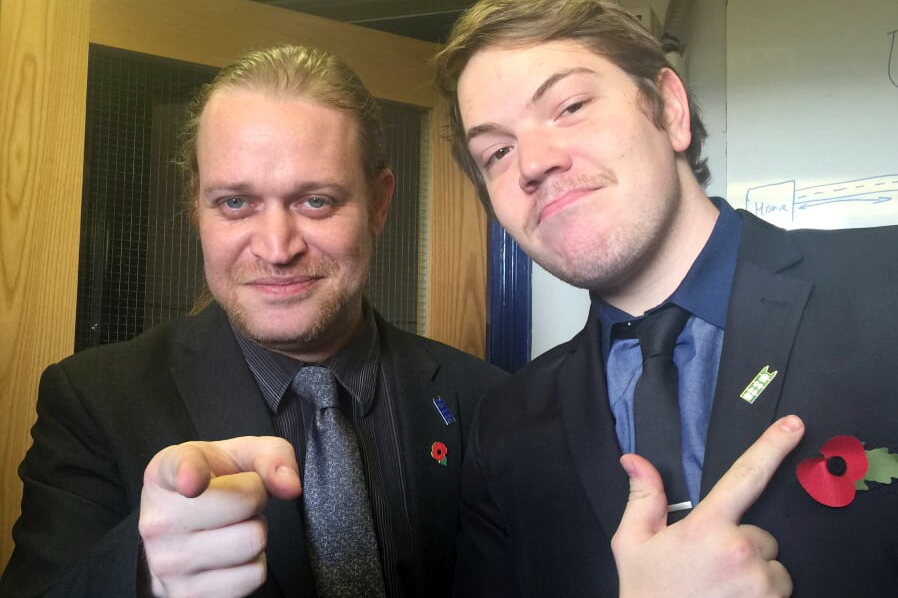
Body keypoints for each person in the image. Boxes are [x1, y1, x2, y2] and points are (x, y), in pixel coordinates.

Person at [0, 45, 507, 598]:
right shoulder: (94, 402)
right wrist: (146, 575)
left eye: (316, 201)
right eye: (236, 203)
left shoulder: (486, 401)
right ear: (197, 205)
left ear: (379, 203)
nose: (276, 247)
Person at [434, 0, 898, 596]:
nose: (532, 162)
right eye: (496, 152)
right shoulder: (505, 428)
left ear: (670, 109)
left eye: (570, 107)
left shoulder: (886, 284)